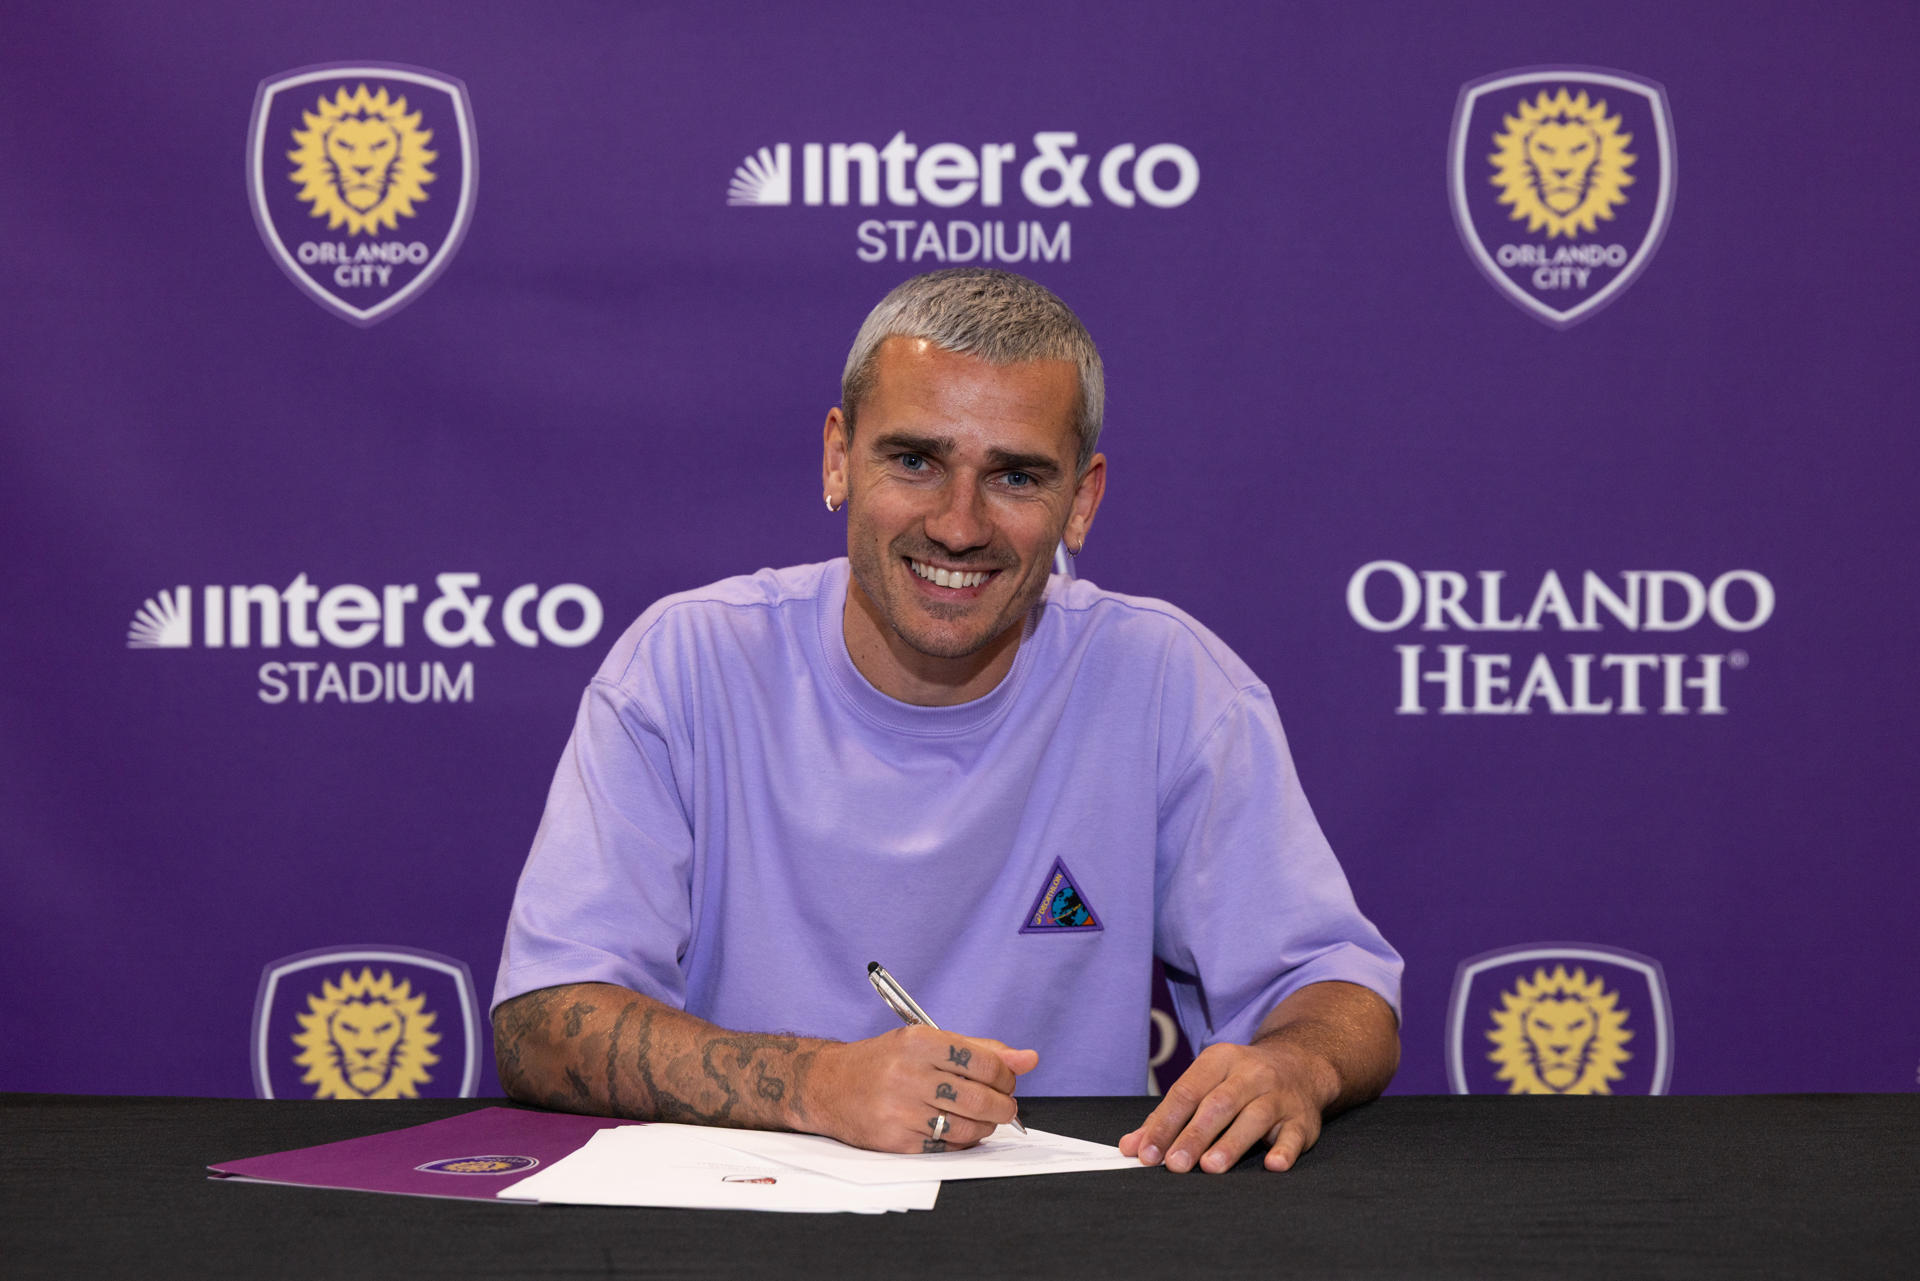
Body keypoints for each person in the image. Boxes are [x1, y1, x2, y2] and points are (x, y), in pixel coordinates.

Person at [491, 268, 1401, 1174]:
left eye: (1015, 475)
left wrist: (1295, 1062)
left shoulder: (1169, 681)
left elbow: (1338, 988)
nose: (959, 526)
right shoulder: (686, 664)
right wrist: (816, 1085)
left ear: (1082, 501)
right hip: (739, 1225)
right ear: (839, 457)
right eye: (916, 460)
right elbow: (543, 1020)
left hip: (1071, 1232)